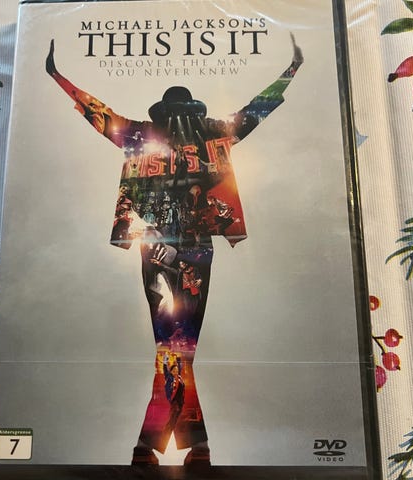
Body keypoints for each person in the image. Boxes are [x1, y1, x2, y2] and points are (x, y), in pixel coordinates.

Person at [46, 34, 303, 467]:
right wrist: (291, 70)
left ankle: (157, 446)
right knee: (177, 343)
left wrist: (59, 77)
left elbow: (96, 112)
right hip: (187, 246)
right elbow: (258, 108)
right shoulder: (211, 132)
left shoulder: (141, 135)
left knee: (175, 343)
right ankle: (187, 447)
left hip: (164, 247)